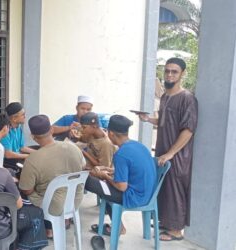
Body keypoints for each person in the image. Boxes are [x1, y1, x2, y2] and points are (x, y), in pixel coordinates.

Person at [137, 57, 198, 241]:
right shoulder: (165, 96)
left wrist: (171, 153)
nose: (170, 74)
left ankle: (176, 230)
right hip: (163, 151)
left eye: (174, 71)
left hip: (178, 155)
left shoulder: (187, 99)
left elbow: (188, 130)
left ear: (182, 74)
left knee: (175, 189)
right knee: (163, 188)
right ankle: (165, 222)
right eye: (167, 71)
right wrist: (148, 119)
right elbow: (163, 121)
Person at [85, 115, 156, 236]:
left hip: (134, 197)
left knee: (88, 180)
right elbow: (134, 170)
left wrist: (104, 176)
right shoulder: (138, 145)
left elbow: (122, 187)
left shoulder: (121, 154)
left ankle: (119, 228)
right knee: (103, 187)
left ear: (111, 134)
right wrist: (108, 170)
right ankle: (118, 226)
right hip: (149, 194)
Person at [19, 114, 86, 239]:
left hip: (52, 207)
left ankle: (47, 228)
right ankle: (63, 221)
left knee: (22, 194)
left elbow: (26, 189)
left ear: (33, 137)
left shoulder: (33, 159)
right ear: (51, 130)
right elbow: (82, 167)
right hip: (75, 201)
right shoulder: (74, 148)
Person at [1, 102, 35, 170]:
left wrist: (38, 153)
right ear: (14, 119)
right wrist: (28, 156)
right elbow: (8, 154)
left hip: (16, 157)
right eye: (23, 115)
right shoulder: (5, 131)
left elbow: (22, 147)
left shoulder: (18, 127)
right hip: (7, 162)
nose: (25, 116)